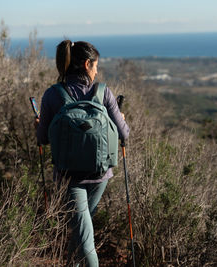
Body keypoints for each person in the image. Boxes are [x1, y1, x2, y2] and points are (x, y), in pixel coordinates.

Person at [35, 40, 130, 266]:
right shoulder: (104, 92)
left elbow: (43, 138)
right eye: (96, 66)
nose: (97, 71)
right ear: (87, 64)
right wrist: (122, 122)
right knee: (83, 230)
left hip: (69, 177)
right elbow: (124, 135)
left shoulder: (52, 95)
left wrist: (39, 125)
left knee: (82, 231)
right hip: (100, 174)